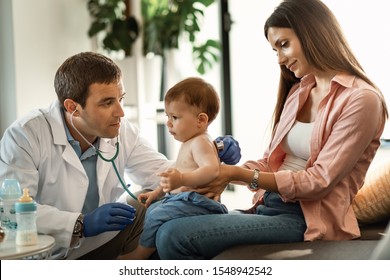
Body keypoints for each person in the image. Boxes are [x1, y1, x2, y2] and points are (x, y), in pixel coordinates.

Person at [153, 0, 389, 259]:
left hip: (305, 218)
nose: (280, 59)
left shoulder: (362, 99)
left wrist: (237, 175)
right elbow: (270, 162)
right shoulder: (300, 91)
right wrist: (222, 175)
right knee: (162, 220)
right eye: (274, 50)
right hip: (268, 204)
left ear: (313, 32)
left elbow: (319, 181)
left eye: (284, 45)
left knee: (173, 235)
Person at [0, 52, 241, 259]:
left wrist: (210, 152)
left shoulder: (121, 131)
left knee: (154, 203)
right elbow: (11, 213)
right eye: (107, 103)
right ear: (73, 107)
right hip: (50, 253)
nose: (121, 112)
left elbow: (163, 173)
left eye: (121, 99)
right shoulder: (25, 136)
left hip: (104, 241)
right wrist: (80, 224)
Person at [119, 77, 228, 260]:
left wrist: (183, 180)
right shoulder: (190, 141)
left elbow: (212, 170)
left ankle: (140, 254)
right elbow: (174, 175)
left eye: (175, 117)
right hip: (183, 199)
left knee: (157, 214)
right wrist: (156, 193)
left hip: (198, 203)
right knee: (153, 210)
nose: (169, 123)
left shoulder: (201, 142)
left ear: (201, 120)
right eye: (167, 116)